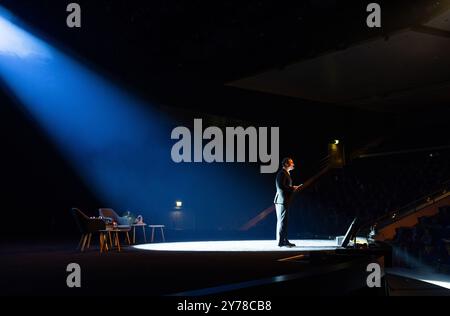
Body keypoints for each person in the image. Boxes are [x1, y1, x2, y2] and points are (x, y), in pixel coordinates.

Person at [274, 157, 302, 247]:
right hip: (281, 200)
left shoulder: (286, 173)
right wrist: (293, 188)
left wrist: (292, 188)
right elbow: (281, 186)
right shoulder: (282, 173)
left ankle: (283, 240)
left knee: (283, 221)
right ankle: (282, 242)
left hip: (283, 200)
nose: (293, 164)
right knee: (283, 221)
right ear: (286, 164)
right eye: (291, 162)